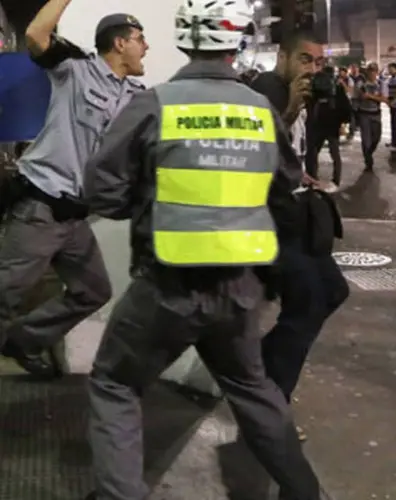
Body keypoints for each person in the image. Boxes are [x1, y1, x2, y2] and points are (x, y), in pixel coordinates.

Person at [82, 1, 322, 498]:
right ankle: (307, 493)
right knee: (254, 391)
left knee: (115, 384)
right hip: (239, 288)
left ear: (185, 38)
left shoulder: (155, 103)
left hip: (167, 286)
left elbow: (102, 188)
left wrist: (150, 204)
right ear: (236, 42)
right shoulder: (260, 109)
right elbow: (288, 186)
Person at [0, 0, 148, 377]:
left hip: (77, 217)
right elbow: (35, 34)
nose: (146, 47)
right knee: (4, 295)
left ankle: (23, 341)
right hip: (41, 208)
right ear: (119, 43)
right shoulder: (75, 70)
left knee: (93, 291)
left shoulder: (136, 95)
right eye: (140, 39)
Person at [250, 33, 350, 435]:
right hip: (271, 221)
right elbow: (257, 150)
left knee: (334, 291)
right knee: (308, 304)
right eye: (304, 59)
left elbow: (286, 154)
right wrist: (290, 109)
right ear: (283, 57)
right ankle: (269, 400)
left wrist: (302, 174)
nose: (311, 68)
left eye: (317, 63)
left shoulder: (303, 92)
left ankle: (257, 373)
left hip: (295, 212)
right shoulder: (265, 91)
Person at [357, 62, 388, 171]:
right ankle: (368, 160)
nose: (372, 73)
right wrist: (362, 96)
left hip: (376, 114)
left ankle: (368, 153)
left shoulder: (380, 83)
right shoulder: (362, 83)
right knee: (366, 140)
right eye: (370, 71)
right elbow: (357, 96)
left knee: (376, 138)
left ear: (377, 72)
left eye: (374, 71)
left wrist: (370, 96)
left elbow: (384, 99)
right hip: (364, 113)